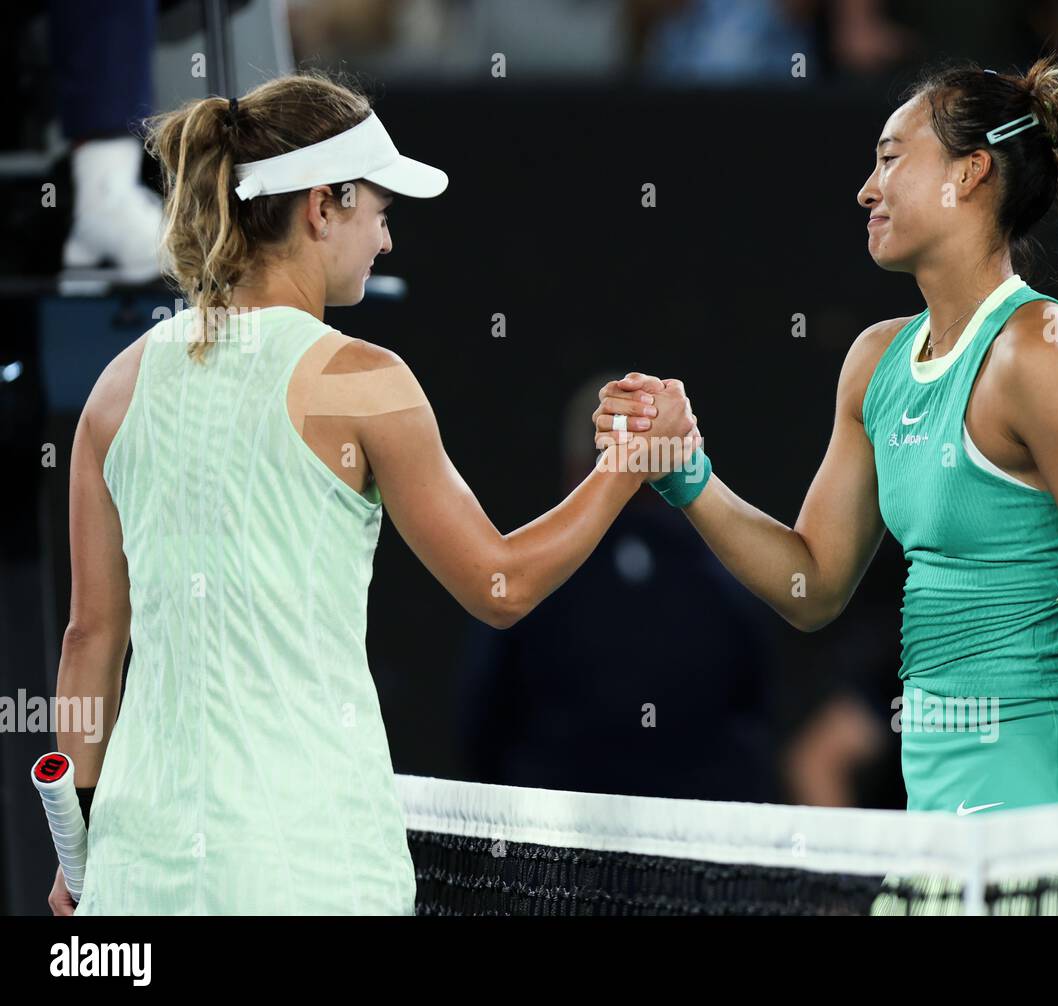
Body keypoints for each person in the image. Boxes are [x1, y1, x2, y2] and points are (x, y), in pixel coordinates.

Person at [595, 57, 1058, 914]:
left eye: (891, 158)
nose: (866, 190)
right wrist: (688, 476)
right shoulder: (874, 363)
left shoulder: (1040, 354)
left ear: (970, 172)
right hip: (937, 834)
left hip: (1046, 828)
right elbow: (812, 583)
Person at [49, 70, 697, 915]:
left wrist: (79, 848)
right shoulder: (364, 381)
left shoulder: (115, 388)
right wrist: (628, 465)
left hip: (137, 875)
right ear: (325, 205)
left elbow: (90, 639)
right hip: (307, 871)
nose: (386, 242)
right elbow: (500, 585)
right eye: (380, 214)